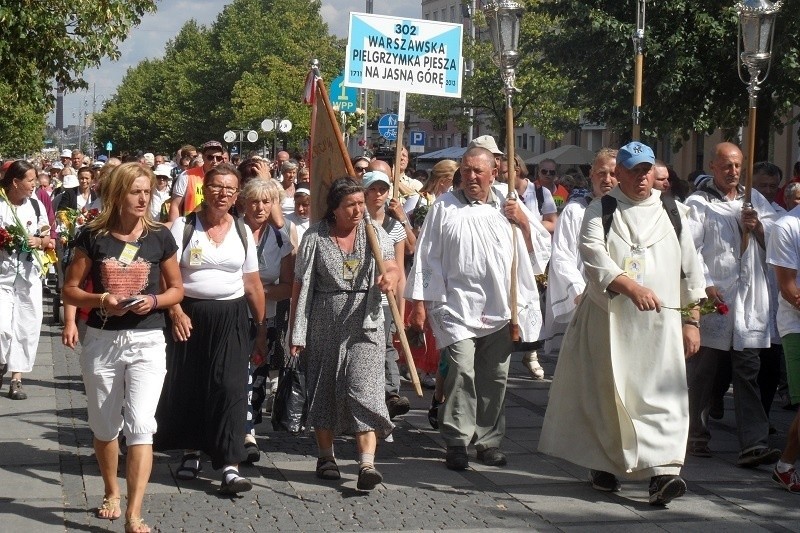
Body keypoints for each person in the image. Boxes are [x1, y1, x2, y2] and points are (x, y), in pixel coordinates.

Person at [539, 141, 706, 506]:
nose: (642, 177)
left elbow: (691, 271)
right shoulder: (601, 210)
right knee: (610, 399)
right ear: (621, 174)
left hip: (661, 330)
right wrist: (630, 287)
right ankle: (603, 464)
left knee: (665, 398)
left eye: (647, 170)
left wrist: (692, 321)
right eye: (634, 171)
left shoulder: (673, 211)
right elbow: (594, 258)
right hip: (611, 324)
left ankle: (663, 473)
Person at [62, 162, 184, 533]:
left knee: (143, 424)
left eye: (147, 192)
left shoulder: (160, 236)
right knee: (104, 426)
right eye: (135, 191)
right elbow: (69, 289)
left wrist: (157, 302)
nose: (143, 198)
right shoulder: (91, 236)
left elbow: (177, 288)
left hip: (147, 339)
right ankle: (111, 491)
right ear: (117, 194)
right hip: (102, 339)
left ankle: (134, 513)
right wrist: (101, 298)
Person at [405, 146, 543, 471]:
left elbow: (538, 253)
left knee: (495, 376)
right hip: (456, 307)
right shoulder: (444, 208)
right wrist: (421, 307)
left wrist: (522, 223)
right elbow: (427, 258)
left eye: (478, 171)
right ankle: (456, 439)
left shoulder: (508, 207)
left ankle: (489, 440)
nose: (471, 177)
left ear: (494, 173)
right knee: (461, 370)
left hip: (499, 306)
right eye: (466, 170)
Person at [155, 163, 266, 495]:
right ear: (205, 189)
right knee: (191, 383)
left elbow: (253, 284)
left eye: (230, 190)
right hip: (189, 314)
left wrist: (260, 327)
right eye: (217, 187)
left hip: (231, 316)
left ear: (237, 195)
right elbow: (165, 276)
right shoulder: (183, 227)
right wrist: (174, 311)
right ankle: (191, 452)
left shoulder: (243, 231)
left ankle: (230, 464)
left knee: (230, 388)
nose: (223, 194)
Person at [289, 177, 399, 490]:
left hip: (366, 320)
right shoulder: (315, 236)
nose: (357, 210)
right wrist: (296, 331)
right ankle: (326, 456)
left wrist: (389, 278)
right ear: (334, 209)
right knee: (324, 386)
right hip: (324, 320)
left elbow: (391, 266)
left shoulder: (374, 232)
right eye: (350, 205)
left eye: (360, 204)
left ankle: (366, 464)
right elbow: (301, 284)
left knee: (364, 388)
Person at [684, 142, 780, 466]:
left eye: (738, 166)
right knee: (704, 371)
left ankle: (753, 441)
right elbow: (690, 250)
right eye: (726, 165)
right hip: (715, 297)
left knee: (748, 369)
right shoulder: (699, 204)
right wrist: (706, 283)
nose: (733, 172)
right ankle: (695, 433)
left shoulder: (756, 201)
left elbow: (780, 240)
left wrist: (759, 227)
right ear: (713, 166)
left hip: (749, 300)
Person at [239, 178, 294, 461]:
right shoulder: (231, 231)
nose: (260, 208)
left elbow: (288, 286)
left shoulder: (280, 239)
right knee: (233, 375)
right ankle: (234, 427)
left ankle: (249, 431)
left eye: (266, 202)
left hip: (266, 317)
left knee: (257, 376)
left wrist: (258, 291)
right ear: (243, 203)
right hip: (232, 316)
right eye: (254, 201)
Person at [543, 148, 617, 356]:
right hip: (585, 297)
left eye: (613, 173)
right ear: (591, 175)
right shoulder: (575, 211)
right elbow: (562, 256)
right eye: (601, 173)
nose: (607, 179)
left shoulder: (629, 211)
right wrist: (578, 290)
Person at [362, 170, 413, 418]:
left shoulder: (395, 228)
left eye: (383, 189)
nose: (378, 194)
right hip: (361, 296)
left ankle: (391, 393)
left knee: (385, 347)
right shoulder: (357, 223)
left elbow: (400, 270)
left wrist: (401, 310)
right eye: (373, 189)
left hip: (385, 299)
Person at [0, 160, 51, 400]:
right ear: (15, 182)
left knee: (26, 327)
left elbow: (48, 238)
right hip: (2, 278)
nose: (35, 184)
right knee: (2, 328)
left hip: (29, 278)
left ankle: (16, 379)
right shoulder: (1, 205)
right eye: (30, 180)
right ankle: (2, 361)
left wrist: (39, 241)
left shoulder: (36, 205)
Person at [766, 196, 800, 493]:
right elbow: (789, 289)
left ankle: (785, 465)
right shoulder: (787, 226)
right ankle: (785, 465)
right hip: (797, 326)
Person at [168, 140, 225, 221]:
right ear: (203, 157)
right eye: (210, 157)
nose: (214, 161)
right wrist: (174, 229)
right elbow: (175, 206)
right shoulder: (187, 176)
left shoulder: (226, 178)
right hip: (191, 225)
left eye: (218, 158)